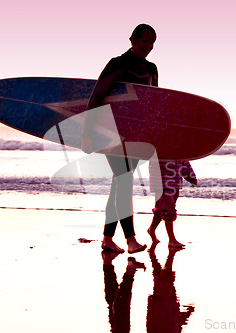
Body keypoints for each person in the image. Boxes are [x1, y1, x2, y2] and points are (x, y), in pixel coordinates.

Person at [83, 24, 158, 253]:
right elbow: (97, 95)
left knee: (119, 184)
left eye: (152, 41)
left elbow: (153, 104)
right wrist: (87, 132)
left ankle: (107, 239)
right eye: (144, 40)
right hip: (111, 132)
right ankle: (131, 239)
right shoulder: (118, 64)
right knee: (124, 181)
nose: (148, 45)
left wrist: (153, 137)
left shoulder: (152, 69)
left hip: (136, 135)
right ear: (132, 40)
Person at [147, 160, 197, 248]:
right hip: (161, 180)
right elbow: (152, 157)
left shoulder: (178, 148)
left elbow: (184, 160)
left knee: (160, 208)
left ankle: (151, 230)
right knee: (168, 208)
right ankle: (172, 240)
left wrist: (190, 176)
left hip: (175, 180)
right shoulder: (160, 148)